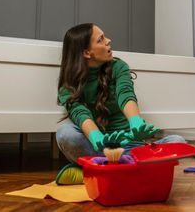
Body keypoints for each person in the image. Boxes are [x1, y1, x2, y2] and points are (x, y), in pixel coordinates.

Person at [54, 23, 185, 184]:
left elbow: (125, 92)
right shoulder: (68, 85)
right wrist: (95, 136)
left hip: (132, 149)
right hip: (100, 151)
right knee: (65, 134)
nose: (109, 41)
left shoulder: (118, 66)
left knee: (177, 141)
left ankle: (95, 172)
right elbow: (80, 113)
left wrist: (135, 121)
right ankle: (129, 171)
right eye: (101, 40)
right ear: (87, 52)